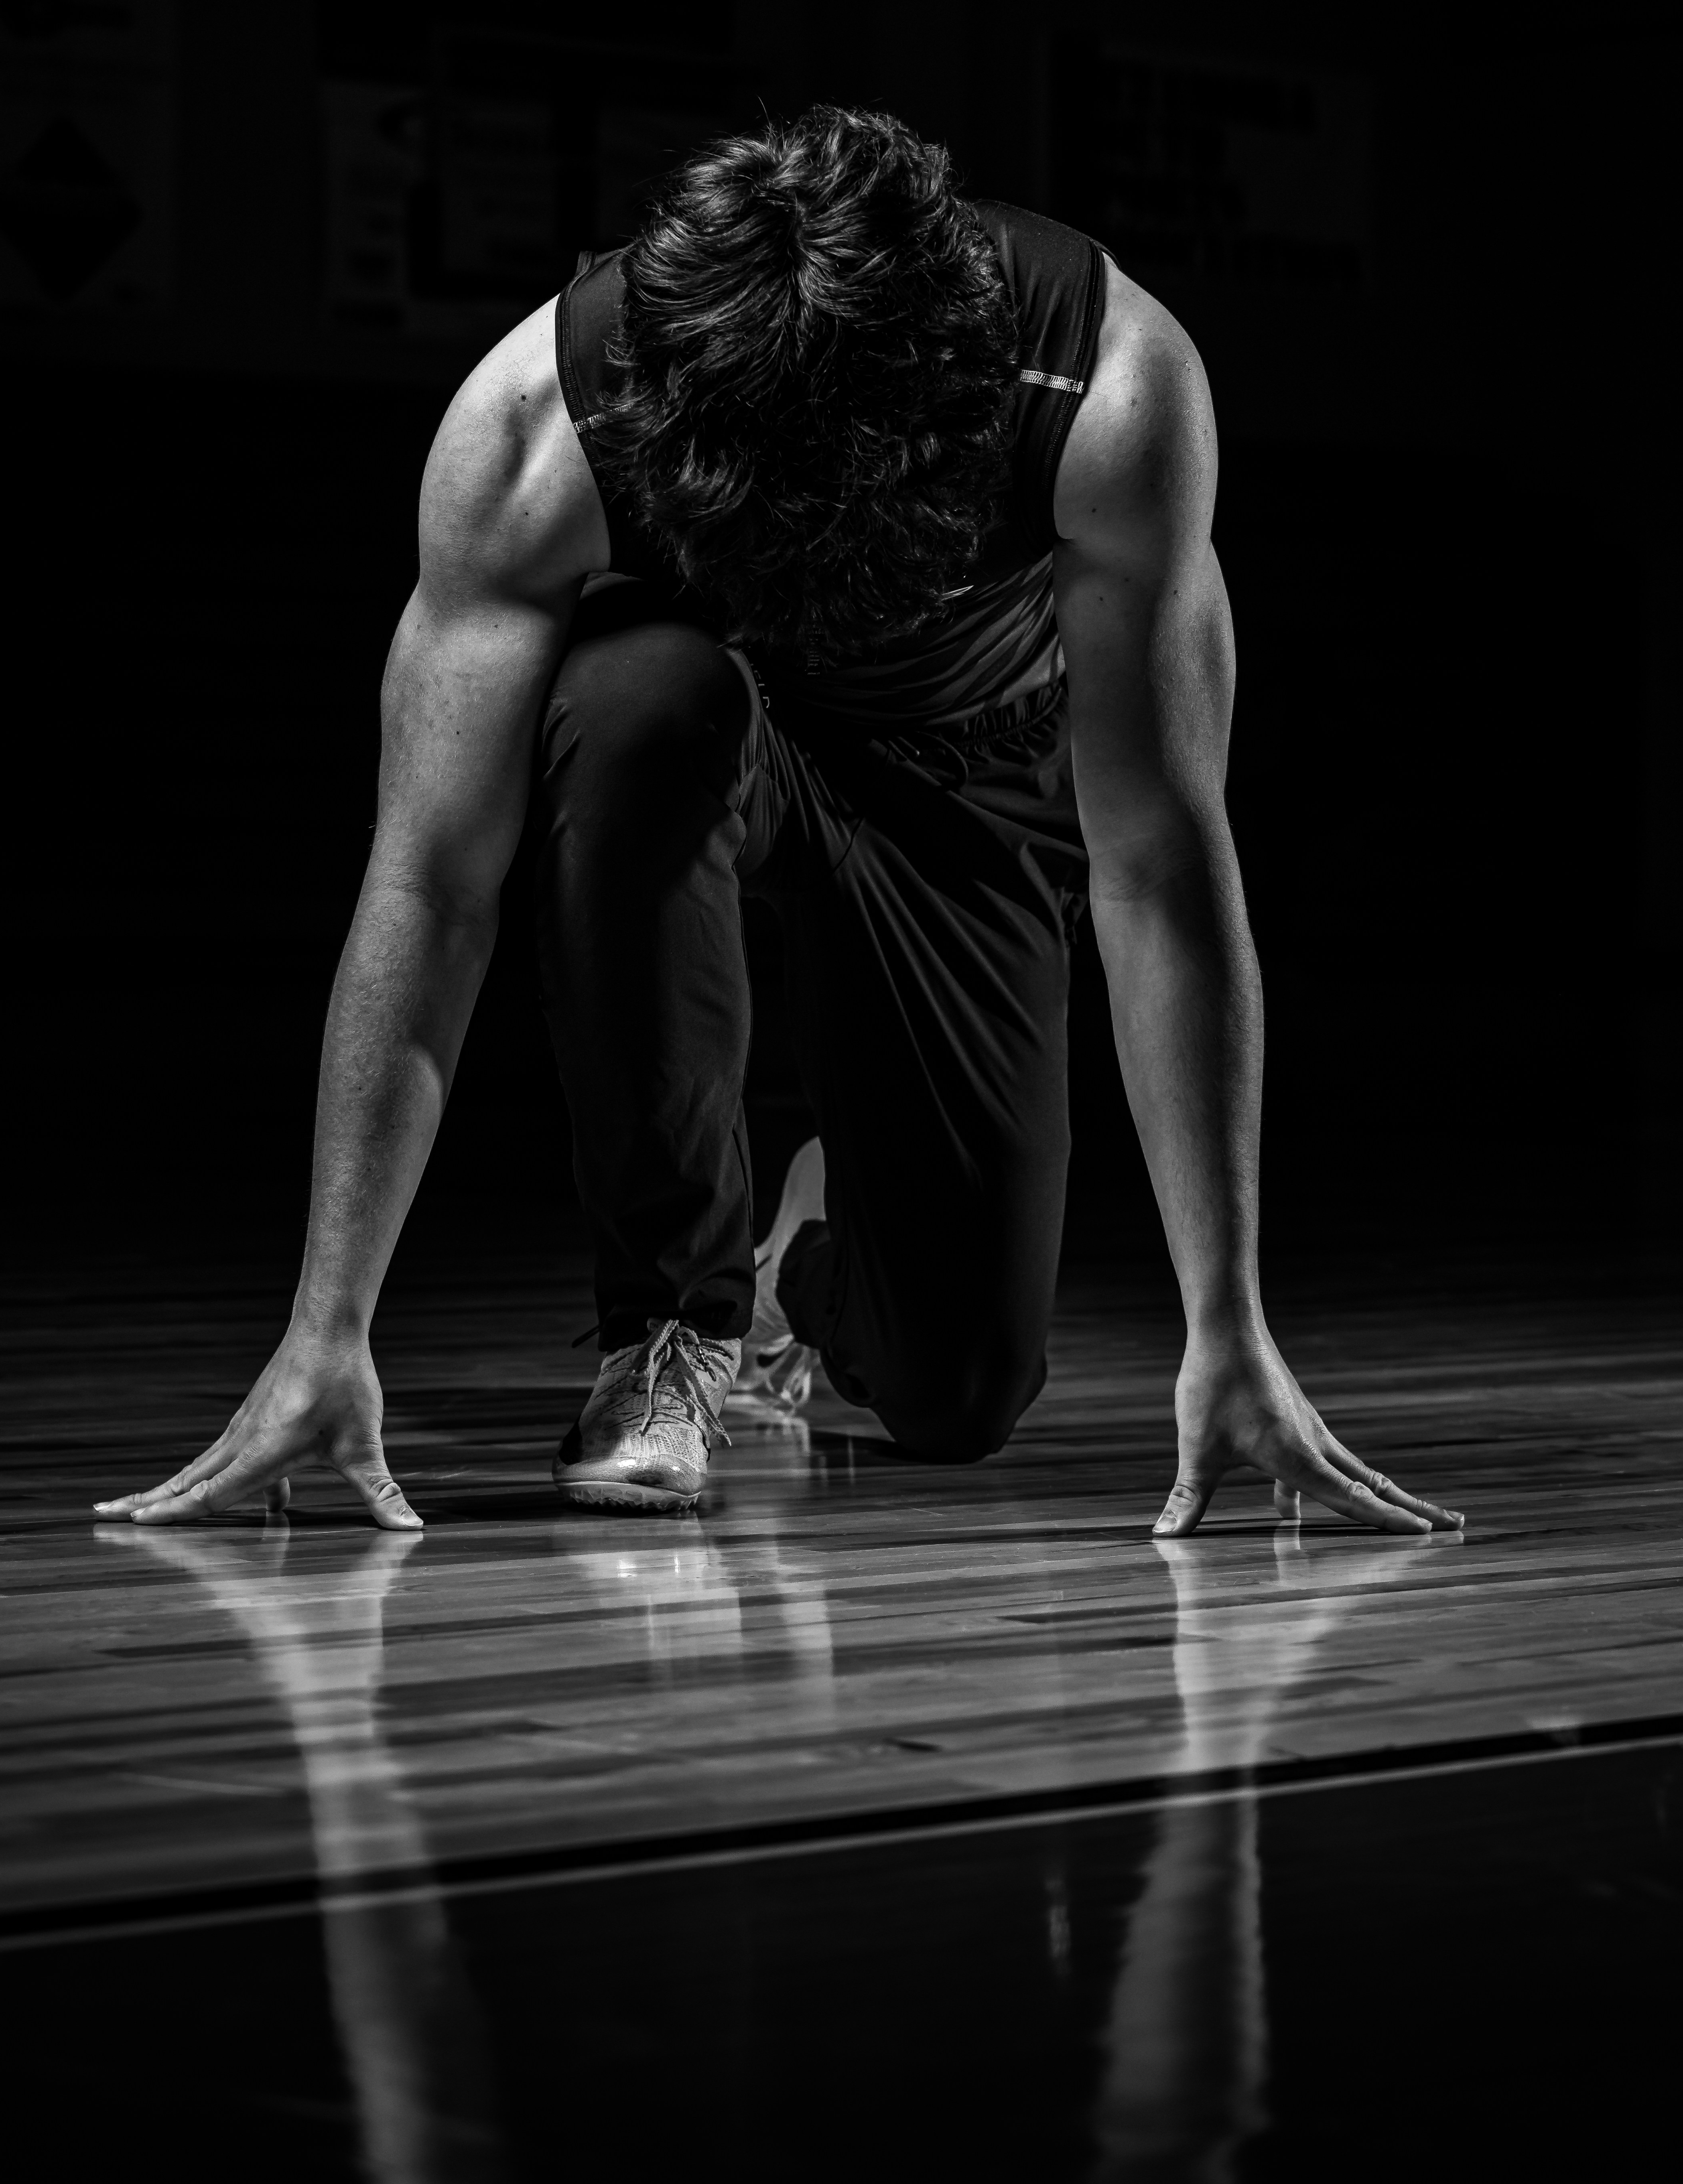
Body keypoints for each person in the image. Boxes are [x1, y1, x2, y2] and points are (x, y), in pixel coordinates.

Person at [96, 108, 1461, 1539]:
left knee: (960, 1394)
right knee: (636, 707)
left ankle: (800, 1258)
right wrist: (327, 1329)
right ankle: (671, 1329)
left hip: (965, 769)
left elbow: (1160, 866)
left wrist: (1229, 1325)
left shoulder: (1112, 386)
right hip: (699, 723)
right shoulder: (536, 426)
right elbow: (432, 884)